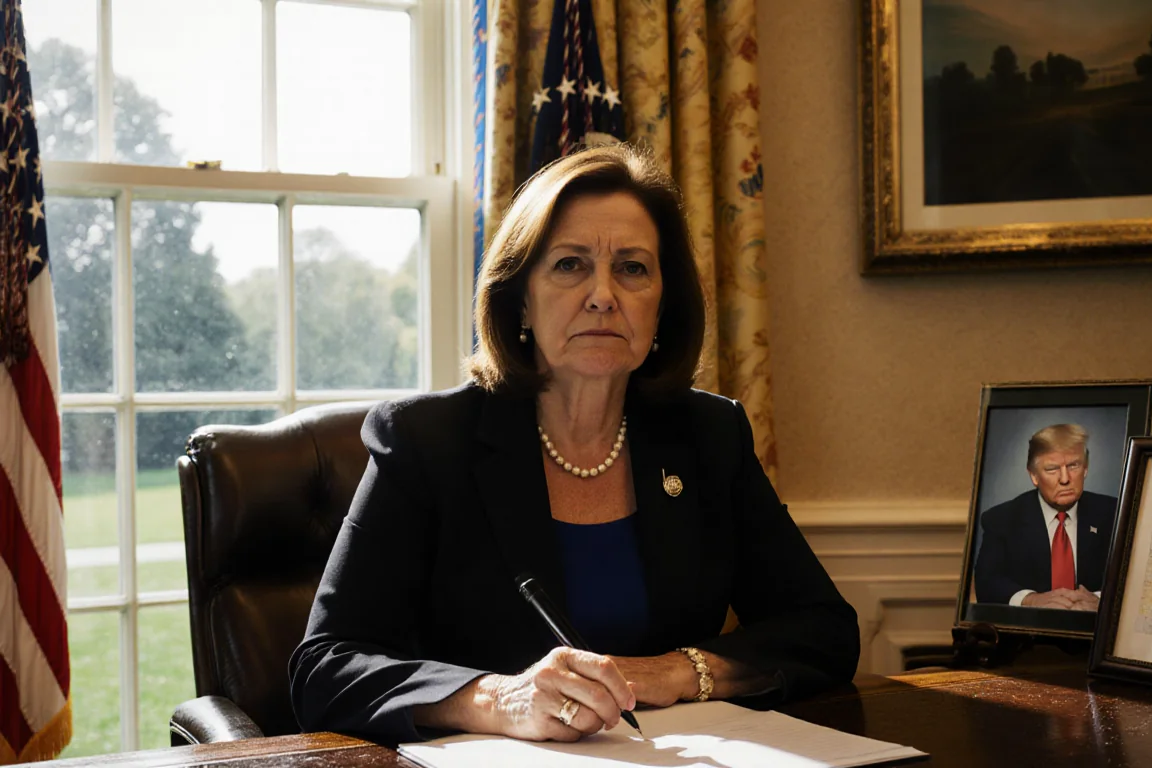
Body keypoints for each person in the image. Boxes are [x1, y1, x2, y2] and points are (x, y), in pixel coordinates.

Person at [288, 144, 859, 746]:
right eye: (569, 264)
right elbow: (324, 667)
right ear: (520, 298)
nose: (603, 294)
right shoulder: (426, 441)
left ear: (663, 305)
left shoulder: (710, 436)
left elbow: (823, 630)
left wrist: (675, 672)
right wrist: (498, 698)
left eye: (633, 268)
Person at [973, 424, 1117, 609]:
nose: (1065, 479)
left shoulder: (1115, 512)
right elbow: (987, 583)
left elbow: (1134, 576)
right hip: (1031, 626)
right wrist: (1031, 600)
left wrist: (1100, 600)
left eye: (1073, 465)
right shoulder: (1002, 519)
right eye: (1052, 469)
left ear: (1086, 469)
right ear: (1034, 476)